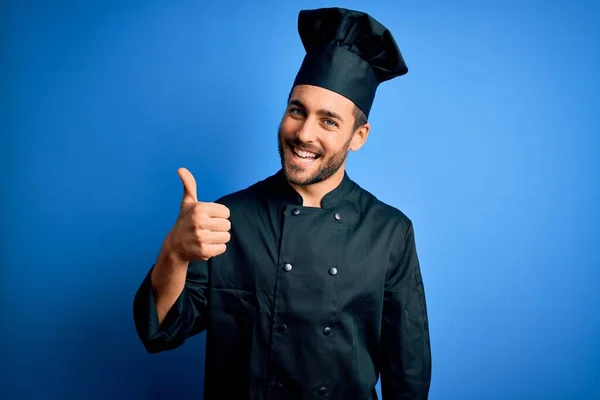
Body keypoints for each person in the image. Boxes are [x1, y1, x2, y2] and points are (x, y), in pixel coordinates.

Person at [133, 7, 431, 400]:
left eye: (328, 121)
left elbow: (407, 374)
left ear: (358, 136)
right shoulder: (229, 218)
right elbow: (162, 332)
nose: (304, 132)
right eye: (297, 110)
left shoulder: (389, 232)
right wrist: (174, 253)